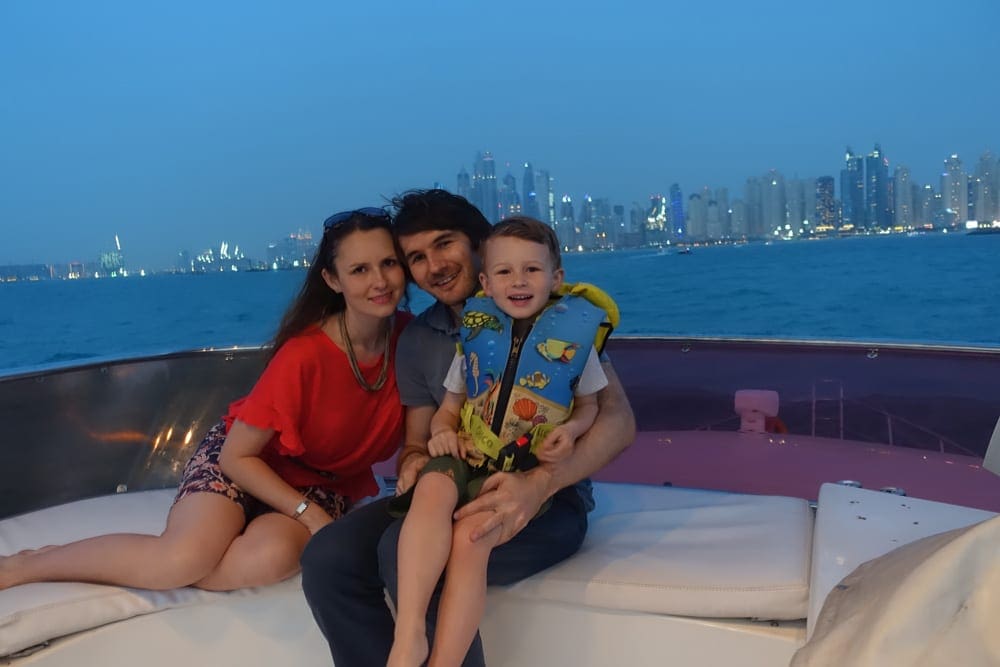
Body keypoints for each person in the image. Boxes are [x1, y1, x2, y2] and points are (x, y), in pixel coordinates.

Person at [300, 189, 635, 667]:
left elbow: (618, 422)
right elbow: (416, 440)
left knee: (404, 551)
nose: (433, 265)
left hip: (548, 500)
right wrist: (418, 461)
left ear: (481, 244)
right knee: (328, 556)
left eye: (445, 244)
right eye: (416, 257)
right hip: (455, 484)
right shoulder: (417, 339)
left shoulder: (553, 325)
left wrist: (539, 483)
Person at [0, 208, 409, 592]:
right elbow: (237, 457)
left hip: (322, 482)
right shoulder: (306, 355)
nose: (380, 281)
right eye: (360, 269)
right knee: (180, 560)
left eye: (388, 263)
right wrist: (311, 515)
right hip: (245, 461)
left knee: (270, 559)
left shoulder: (414, 342)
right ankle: (30, 564)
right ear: (333, 280)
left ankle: (145, 560)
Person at [388, 216, 617, 666]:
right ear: (486, 283)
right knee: (431, 489)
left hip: (524, 471)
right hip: (469, 453)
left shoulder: (577, 346)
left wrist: (569, 432)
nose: (519, 281)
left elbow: (591, 408)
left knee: (472, 538)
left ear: (557, 278)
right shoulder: (473, 339)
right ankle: (408, 636)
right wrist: (439, 434)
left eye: (532, 270)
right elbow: (450, 408)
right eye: (505, 272)